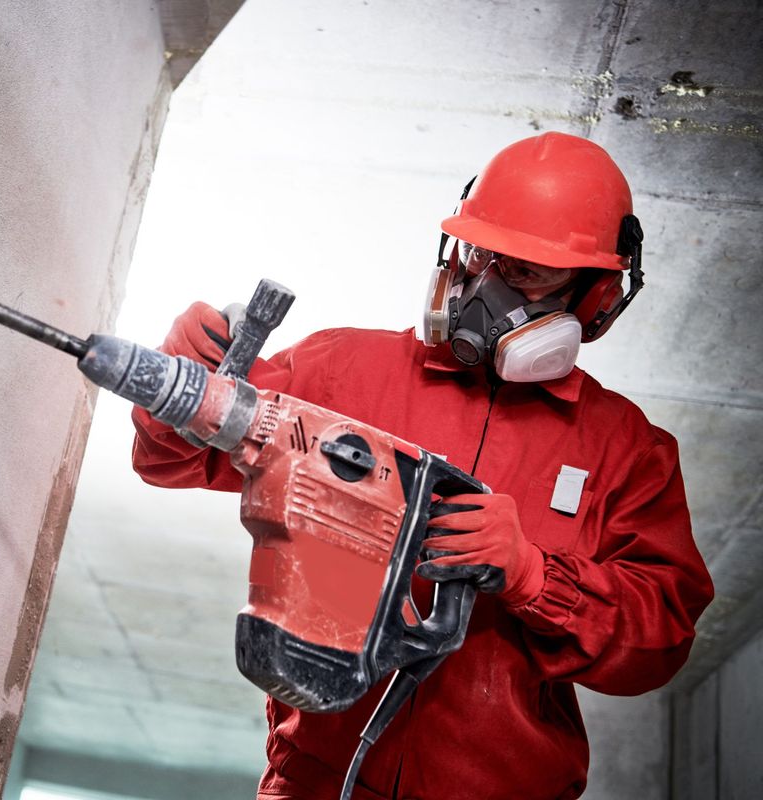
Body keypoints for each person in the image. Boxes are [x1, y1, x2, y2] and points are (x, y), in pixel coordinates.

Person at [129, 132, 714, 800]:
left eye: (527, 272)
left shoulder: (626, 449)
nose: (488, 285)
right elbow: (169, 460)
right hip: (313, 785)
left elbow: (659, 643)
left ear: (593, 298)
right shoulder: (343, 370)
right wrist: (181, 382)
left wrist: (533, 575)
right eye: (480, 252)